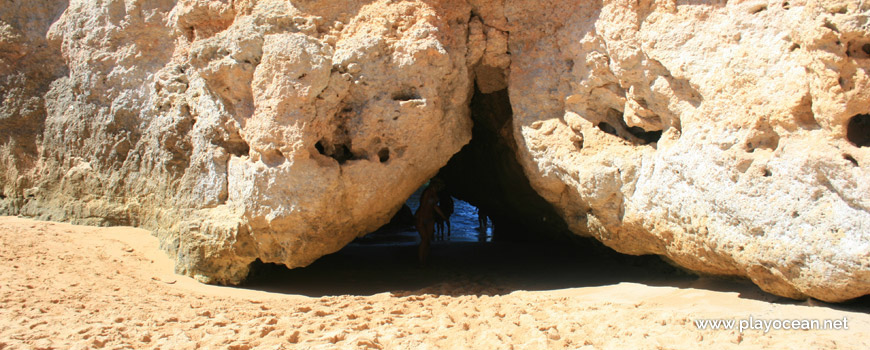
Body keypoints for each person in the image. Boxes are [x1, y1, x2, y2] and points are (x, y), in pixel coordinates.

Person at [415, 179, 447, 264]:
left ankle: (424, 260)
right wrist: (420, 219)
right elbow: (422, 205)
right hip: (421, 217)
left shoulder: (435, 193)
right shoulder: (427, 192)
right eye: (440, 186)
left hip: (430, 219)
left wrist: (443, 216)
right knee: (424, 239)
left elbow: (435, 206)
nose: (441, 188)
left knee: (428, 240)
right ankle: (421, 261)